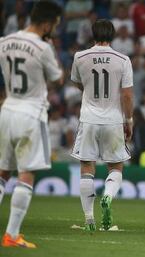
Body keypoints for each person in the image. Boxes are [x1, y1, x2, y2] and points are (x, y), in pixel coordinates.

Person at [0, 1, 63, 248]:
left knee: (3, 172)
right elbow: (57, 79)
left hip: (7, 110)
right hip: (31, 114)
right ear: (47, 23)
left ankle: (11, 236)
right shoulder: (43, 47)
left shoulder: (5, 40)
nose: (56, 29)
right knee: (26, 173)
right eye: (55, 24)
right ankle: (12, 235)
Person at [70, 19, 134, 232]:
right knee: (115, 167)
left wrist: (89, 92)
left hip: (88, 118)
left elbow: (78, 82)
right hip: (113, 119)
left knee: (87, 168)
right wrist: (129, 120)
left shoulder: (80, 57)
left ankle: (89, 220)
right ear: (113, 34)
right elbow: (126, 94)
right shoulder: (123, 59)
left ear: (93, 34)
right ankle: (107, 196)